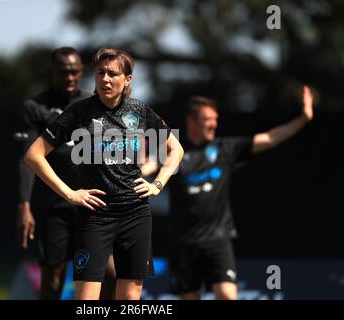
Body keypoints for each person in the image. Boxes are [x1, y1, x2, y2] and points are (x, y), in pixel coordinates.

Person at [24, 48, 184, 300]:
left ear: (127, 79)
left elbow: (176, 149)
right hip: (95, 217)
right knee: (86, 299)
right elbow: (34, 155)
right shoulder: (79, 112)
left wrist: (158, 184)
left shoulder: (140, 111)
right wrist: (69, 193)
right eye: (100, 73)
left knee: (130, 298)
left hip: (135, 213)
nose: (105, 79)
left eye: (112, 73)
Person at [165, 86, 314, 300]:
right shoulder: (174, 152)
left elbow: (271, 137)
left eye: (215, 119)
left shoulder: (225, 148)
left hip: (218, 239)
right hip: (183, 242)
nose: (214, 124)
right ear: (192, 120)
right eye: (208, 119)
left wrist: (303, 119)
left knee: (227, 294)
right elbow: (150, 166)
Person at [14, 47, 115, 300]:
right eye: (64, 72)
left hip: (93, 203)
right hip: (56, 205)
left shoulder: (94, 103)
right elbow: (27, 159)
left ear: (81, 72)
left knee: (112, 273)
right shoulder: (35, 107)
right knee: (54, 275)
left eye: (74, 71)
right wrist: (24, 205)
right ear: (53, 72)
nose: (69, 77)